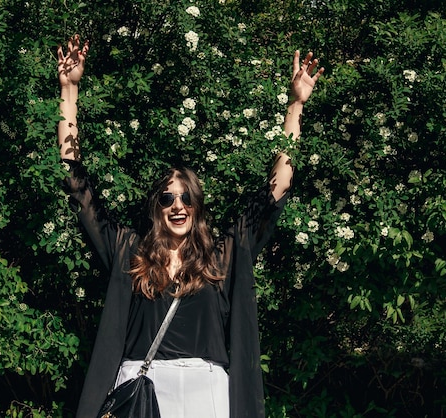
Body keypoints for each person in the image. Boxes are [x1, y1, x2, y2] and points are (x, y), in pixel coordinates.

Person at [57, 34, 324, 418]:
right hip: (141, 394)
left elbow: (277, 188)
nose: (177, 206)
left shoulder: (222, 257)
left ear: (197, 206)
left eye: (186, 198)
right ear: (156, 207)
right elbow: (77, 186)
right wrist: (69, 89)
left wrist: (296, 105)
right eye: (167, 198)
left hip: (206, 394)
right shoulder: (129, 252)